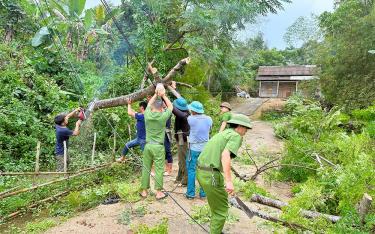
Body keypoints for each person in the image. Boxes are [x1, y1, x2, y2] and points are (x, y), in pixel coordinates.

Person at [197, 114, 252, 234]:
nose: (246, 131)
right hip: (211, 175)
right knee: (221, 210)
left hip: (202, 171)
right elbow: (225, 155)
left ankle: (216, 229)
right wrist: (229, 182)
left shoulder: (224, 133)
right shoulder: (236, 136)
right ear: (239, 126)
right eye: (246, 128)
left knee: (216, 206)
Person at [140, 85, 173, 200]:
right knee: (159, 169)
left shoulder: (147, 115)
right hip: (158, 147)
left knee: (146, 168)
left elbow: (148, 105)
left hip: (148, 146)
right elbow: (170, 106)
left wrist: (155, 94)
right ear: (161, 108)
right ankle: (159, 193)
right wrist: (163, 95)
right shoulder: (163, 117)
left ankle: (144, 191)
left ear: (153, 107)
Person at [185, 101, 212, 199]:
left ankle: (190, 194)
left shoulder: (191, 119)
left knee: (191, 170)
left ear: (193, 110)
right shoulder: (209, 119)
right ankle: (203, 193)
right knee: (204, 170)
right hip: (205, 149)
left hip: (194, 149)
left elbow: (189, 113)